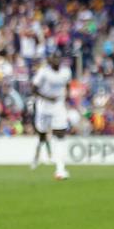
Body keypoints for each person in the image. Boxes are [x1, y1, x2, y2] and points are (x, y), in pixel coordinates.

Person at [31, 52, 72, 180]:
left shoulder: (66, 71)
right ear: (49, 62)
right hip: (43, 106)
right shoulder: (43, 72)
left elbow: (67, 84)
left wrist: (67, 97)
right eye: (53, 60)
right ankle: (38, 155)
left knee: (60, 134)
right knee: (42, 133)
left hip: (58, 105)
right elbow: (34, 89)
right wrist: (48, 97)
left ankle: (60, 169)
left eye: (57, 59)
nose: (56, 62)